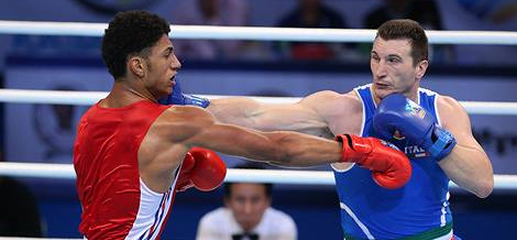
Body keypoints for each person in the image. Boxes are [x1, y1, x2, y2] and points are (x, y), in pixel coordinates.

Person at [73, 11, 412, 240]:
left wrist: (169, 178)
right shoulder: (173, 123)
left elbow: (116, 191)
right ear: (138, 66)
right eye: (167, 54)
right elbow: (277, 149)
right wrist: (358, 150)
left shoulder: (91, 119)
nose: (178, 62)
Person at [187, 19, 493, 239]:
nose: (380, 70)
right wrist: (192, 105)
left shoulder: (444, 111)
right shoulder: (345, 110)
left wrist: (429, 135)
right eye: (375, 57)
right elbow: (256, 115)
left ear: (420, 69)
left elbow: (482, 184)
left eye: (393, 60)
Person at [196, 163, 297, 240]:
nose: (247, 210)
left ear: (268, 201)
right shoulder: (211, 223)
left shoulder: (283, 225)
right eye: (240, 200)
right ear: (227, 201)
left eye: (255, 200)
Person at [172, 0, 248, 59]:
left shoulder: (235, 6)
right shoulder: (185, 7)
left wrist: (212, 17)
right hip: (190, 65)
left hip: (228, 67)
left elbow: (231, 48)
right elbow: (175, 47)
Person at [276, 0, 348, 60]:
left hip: (330, 68)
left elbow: (347, 47)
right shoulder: (288, 21)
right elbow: (278, 48)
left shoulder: (334, 20)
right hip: (296, 69)